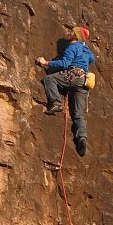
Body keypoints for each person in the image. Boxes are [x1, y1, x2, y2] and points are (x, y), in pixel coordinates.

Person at [36, 25, 95, 157]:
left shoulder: (72, 47)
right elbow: (92, 59)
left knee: (49, 80)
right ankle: (82, 138)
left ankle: (56, 103)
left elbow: (64, 63)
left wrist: (45, 62)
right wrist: (83, 48)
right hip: (84, 81)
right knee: (78, 114)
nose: (68, 33)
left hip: (73, 76)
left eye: (71, 32)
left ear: (75, 36)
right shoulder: (85, 48)